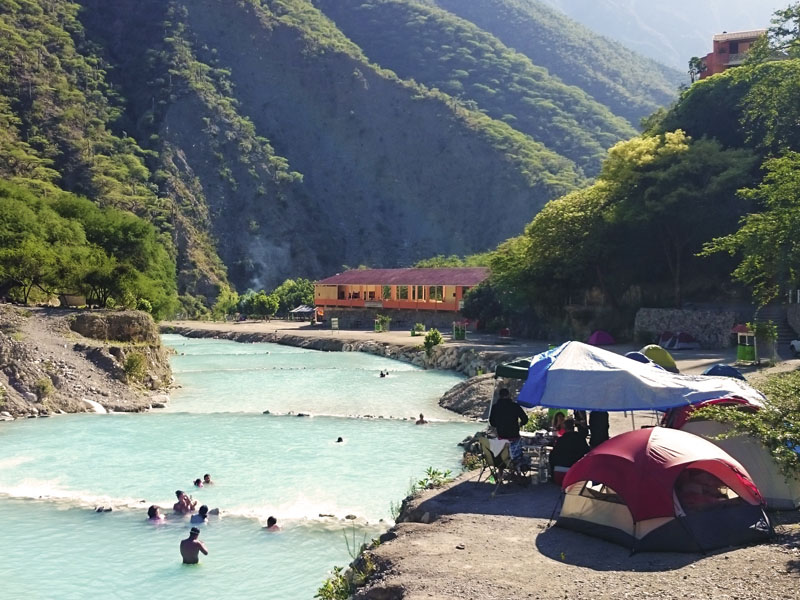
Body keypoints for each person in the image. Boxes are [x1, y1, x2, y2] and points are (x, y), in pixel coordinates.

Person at [489, 388, 528, 467]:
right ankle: (516, 472)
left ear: (499, 396)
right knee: (516, 457)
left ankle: (500, 475)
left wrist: (499, 425)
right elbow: (525, 419)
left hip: (501, 437)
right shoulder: (515, 406)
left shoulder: (495, 407)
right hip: (514, 436)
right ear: (508, 395)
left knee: (502, 458)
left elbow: (492, 422)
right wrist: (520, 424)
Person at [548, 418, 590, 483]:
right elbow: (586, 451)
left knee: (551, 455)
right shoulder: (580, 438)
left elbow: (554, 454)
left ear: (564, 428)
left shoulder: (561, 440)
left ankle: (552, 476)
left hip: (560, 469)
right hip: (575, 468)